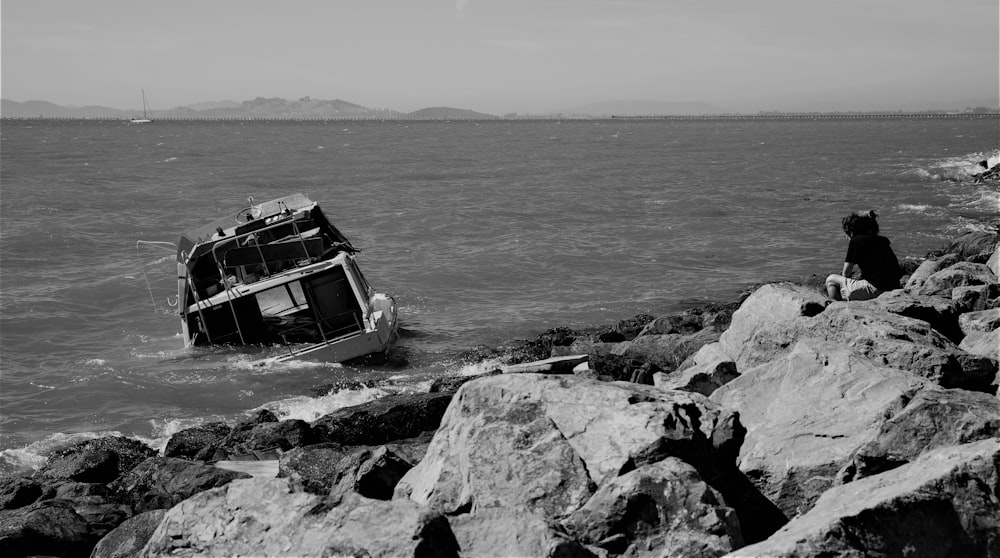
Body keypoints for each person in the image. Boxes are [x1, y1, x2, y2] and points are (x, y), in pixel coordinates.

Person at [825, 210, 902, 301]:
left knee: (831, 279)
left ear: (850, 232)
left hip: (876, 290)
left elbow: (846, 273)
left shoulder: (856, 241)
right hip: (894, 287)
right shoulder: (883, 240)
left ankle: (835, 306)